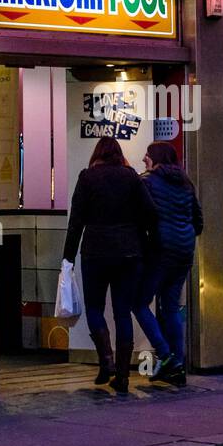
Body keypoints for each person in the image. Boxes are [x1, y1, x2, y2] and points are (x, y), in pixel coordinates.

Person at [63, 136, 166, 394]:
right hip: (129, 253)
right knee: (122, 312)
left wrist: (67, 257)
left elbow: (76, 221)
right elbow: (152, 213)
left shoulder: (87, 178)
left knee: (95, 308)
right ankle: (122, 376)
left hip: (95, 252)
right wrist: (146, 243)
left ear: (97, 154)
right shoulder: (131, 177)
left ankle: (106, 361)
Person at [139, 142, 203, 386]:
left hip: (160, 250)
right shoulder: (186, 183)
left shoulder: (148, 182)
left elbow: (144, 216)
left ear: (156, 158)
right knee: (171, 307)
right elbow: (198, 221)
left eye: (148, 154)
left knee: (140, 302)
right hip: (184, 250)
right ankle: (177, 366)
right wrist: (184, 235)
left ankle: (167, 357)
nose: (145, 158)